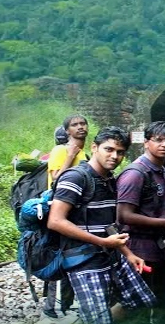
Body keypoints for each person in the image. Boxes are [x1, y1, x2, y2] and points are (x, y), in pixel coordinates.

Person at [47, 126, 156, 324]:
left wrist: (128, 254)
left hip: (111, 256)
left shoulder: (108, 180)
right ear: (94, 147)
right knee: (99, 319)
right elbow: (55, 221)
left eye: (120, 152)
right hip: (84, 261)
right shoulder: (76, 177)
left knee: (141, 301)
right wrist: (102, 242)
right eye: (109, 149)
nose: (115, 156)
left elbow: (108, 225)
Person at [116, 122, 165, 324]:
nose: (164, 145)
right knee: (138, 308)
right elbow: (124, 215)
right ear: (146, 143)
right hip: (138, 249)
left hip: (158, 248)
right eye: (158, 140)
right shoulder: (135, 173)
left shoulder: (159, 171)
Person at [42, 114, 89, 319]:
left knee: (76, 256)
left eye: (82, 124)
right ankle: (50, 305)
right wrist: (70, 156)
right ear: (67, 131)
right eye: (74, 125)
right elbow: (55, 180)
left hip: (80, 214)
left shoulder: (86, 153)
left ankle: (69, 302)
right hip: (60, 213)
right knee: (57, 257)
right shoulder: (60, 150)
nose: (80, 127)